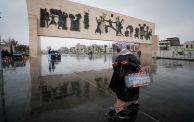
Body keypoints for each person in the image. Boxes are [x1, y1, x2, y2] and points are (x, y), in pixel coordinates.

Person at [107, 42, 141, 119]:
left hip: (126, 79)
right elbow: (117, 69)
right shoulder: (121, 56)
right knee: (133, 91)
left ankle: (118, 109)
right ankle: (135, 103)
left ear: (122, 47)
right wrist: (115, 65)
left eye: (117, 47)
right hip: (129, 78)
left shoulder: (129, 56)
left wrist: (127, 63)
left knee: (123, 94)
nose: (116, 49)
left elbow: (137, 66)